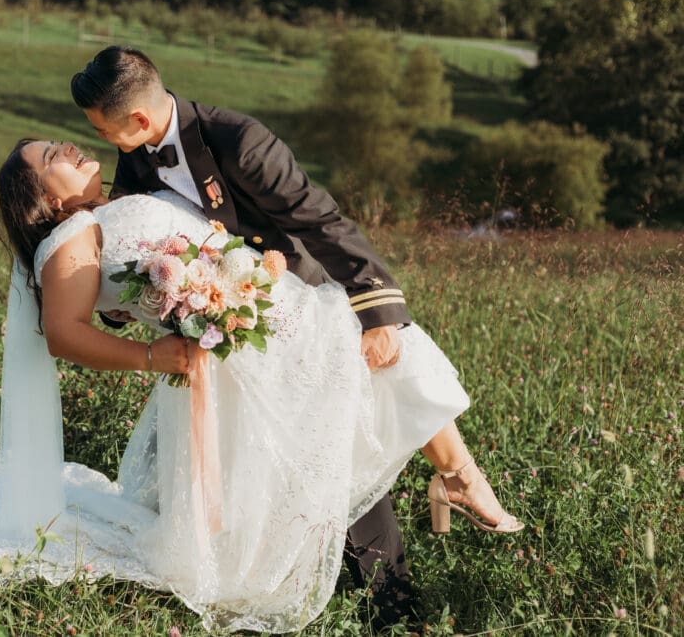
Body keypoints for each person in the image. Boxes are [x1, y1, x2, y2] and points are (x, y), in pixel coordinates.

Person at [69, 46, 522, 623]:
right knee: (292, 460)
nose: (98, 136)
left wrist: (377, 310)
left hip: (294, 304)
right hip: (228, 336)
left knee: (343, 433)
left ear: (137, 119)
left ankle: (395, 604)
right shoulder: (135, 158)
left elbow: (317, 219)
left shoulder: (237, 139)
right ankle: (415, 539)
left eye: (101, 125)